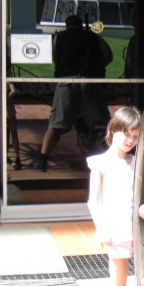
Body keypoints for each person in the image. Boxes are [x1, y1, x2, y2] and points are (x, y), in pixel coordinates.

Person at [86, 105, 142, 286]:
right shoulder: (101, 163)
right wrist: (102, 229)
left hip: (139, 233)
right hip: (117, 232)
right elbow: (93, 200)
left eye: (135, 135)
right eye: (126, 134)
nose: (130, 140)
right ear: (113, 131)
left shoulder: (137, 161)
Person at [33, 14, 110, 171]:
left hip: (66, 82)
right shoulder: (92, 37)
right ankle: (106, 157)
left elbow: (57, 58)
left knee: (56, 125)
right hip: (89, 82)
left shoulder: (59, 38)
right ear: (81, 25)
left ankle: (42, 161)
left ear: (67, 25)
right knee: (101, 124)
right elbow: (108, 55)